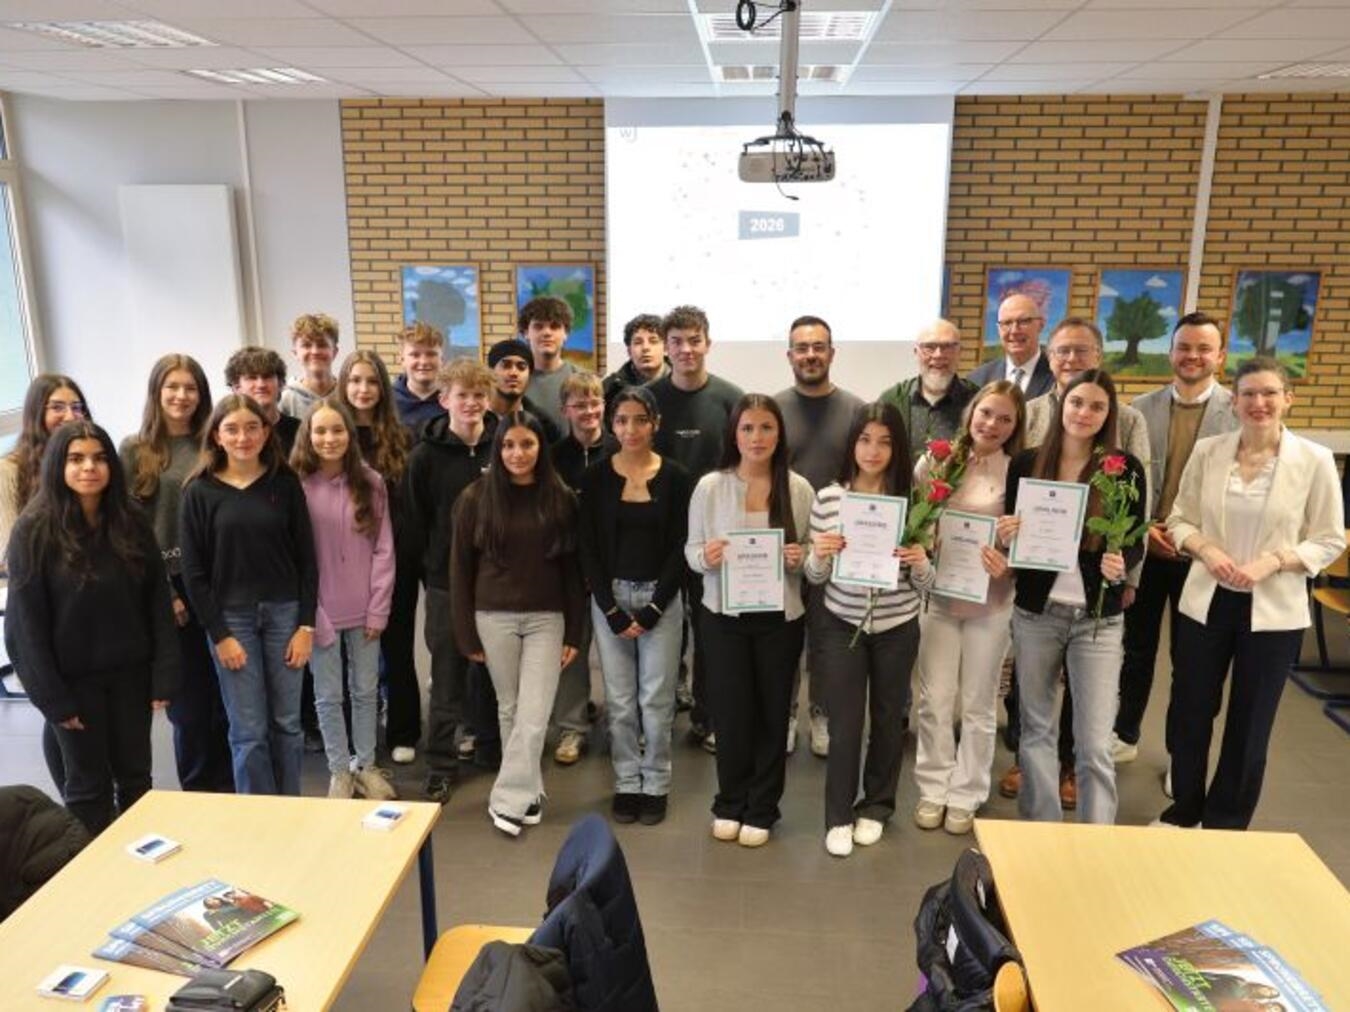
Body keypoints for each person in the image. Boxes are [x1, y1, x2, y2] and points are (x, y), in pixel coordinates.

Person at [1158, 356, 1344, 830]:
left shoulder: (1314, 461)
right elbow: (1179, 519)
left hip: (1274, 610)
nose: (1258, 403)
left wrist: (1276, 560)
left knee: (1250, 721)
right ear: (1234, 400)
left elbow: (1330, 538)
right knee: (1190, 712)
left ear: (1288, 399)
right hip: (1208, 598)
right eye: (1248, 394)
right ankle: (1184, 811)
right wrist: (1205, 549)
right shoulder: (1209, 451)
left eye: (1269, 393)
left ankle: (1226, 822)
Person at [1000, 317, 1154, 805]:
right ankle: (1043, 833)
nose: (1084, 412)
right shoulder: (1027, 464)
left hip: (1097, 619)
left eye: (1096, 406)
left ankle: (1097, 847)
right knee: (1036, 731)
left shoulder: (1121, 467)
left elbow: (1135, 537)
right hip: (1036, 612)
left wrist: (1121, 563)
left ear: (1108, 415)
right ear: (1061, 403)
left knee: (1092, 745)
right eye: (1077, 402)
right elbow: (1011, 530)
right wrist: (1008, 536)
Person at [5, 421, 177, 835]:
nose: (89, 467)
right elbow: (24, 628)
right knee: (87, 787)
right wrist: (53, 699)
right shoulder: (33, 530)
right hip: (73, 684)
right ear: (57, 466)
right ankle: (92, 874)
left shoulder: (130, 520)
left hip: (131, 675)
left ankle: (140, 859)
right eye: (76, 459)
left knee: (137, 777)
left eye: (99, 458)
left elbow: (158, 603)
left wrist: (163, 678)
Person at [686, 394, 813, 848]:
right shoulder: (710, 487)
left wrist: (801, 557)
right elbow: (691, 552)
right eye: (747, 429)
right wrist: (707, 556)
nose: (756, 438)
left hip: (780, 618)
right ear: (733, 435)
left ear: (780, 435)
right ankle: (729, 802)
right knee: (731, 713)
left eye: (766, 428)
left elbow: (813, 558)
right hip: (723, 615)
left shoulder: (797, 488)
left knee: (773, 714)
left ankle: (763, 807)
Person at [805, 402, 932, 857]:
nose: (873, 451)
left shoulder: (915, 501)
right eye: (864, 439)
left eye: (884, 441)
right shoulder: (829, 498)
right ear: (852, 444)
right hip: (842, 624)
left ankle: (876, 806)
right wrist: (820, 553)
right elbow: (815, 577)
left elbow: (926, 584)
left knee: (887, 719)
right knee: (844, 723)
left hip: (898, 625)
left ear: (897, 448)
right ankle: (838, 814)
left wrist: (920, 563)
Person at [450, 411, 585, 836]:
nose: (518, 453)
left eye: (527, 444)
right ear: (498, 448)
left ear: (541, 448)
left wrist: (576, 632)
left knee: (534, 711)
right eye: (509, 445)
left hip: (548, 618)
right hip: (492, 616)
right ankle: (528, 792)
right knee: (509, 708)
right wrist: (465, 631)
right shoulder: (474, 498)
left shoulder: (561, 498)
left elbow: (573, 573)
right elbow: (460, 569)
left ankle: (506, 799)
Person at [1115, 312, 1237, 772]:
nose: (1192, 356)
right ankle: (1124, 734)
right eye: (1184, 347)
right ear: (1170, 353)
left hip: (1204, 556)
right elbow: (1122, 480)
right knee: (1135, 651)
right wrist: (1144, 528)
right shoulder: (1137, 410)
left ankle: (1182, 760)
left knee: (1194, 665)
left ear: (1220, 357)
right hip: (1146, 548)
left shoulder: (1237, 411)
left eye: (1203, 348)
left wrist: (1193, 539)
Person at [179, 394, 318, 796]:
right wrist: (219, 634)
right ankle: (257, 814)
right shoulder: (198, 492)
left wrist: (306, 625)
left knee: (287, 724)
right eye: (232, 429)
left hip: (285, 615)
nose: (243, 437)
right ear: (217, 436)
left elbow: (308, 561)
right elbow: (194, 572)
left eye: (252, 427)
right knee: (248, 730)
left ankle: (289, 806)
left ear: (266, 432)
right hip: (231, 621)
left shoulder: (285, 484)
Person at [912, 381, 1025, 836]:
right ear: (970, 412)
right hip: (939, 599)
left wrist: (1009, 563)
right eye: (986, 413)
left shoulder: (1017, 471)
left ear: (1015, 427)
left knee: (978, 705)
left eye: (1004, 419)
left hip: (990, 603)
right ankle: (933, 786)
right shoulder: (936, 461)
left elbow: (1031, 542)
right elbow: (914, 521)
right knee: (935, 699)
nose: (992, 425)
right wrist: (924, 540)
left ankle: (967, 791)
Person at [120, 354, 234, 794]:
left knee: (228, 697)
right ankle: (201, 794)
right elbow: (131, 530)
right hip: (171, 587)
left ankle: (232, 790)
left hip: (219, 583)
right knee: (190, 705)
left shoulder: (215, 443)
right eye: (173, 387)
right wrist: (165, 591)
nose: (182, 396)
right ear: (157, 392)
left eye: (190, 388)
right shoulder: (135, 450)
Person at [579, 386, 690, 825]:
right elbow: (587, 546)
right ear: (611, 424)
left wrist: (654, 608)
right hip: (611, 602)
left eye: (640, 420)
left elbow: (682, 546)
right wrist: (609, 609)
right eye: (621, 420)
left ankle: (656, 781)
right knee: (621, 701)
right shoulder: (596, 477)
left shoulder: (678, 477)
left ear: (655, 424)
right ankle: (627, 780)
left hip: (661, 603)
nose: (630, 429)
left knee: (656, 699)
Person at [650, 305, 745, 750]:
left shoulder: (731, 399)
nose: (686, 349)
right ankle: (658, 716)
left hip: (715, 537)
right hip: (662, 536)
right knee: (665, 630)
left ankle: (710, 716)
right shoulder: (648, 399)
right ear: (666, 347)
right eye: (677, 341)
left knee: (712, 631)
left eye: (694, 340)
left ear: (708, 342)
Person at [292, 398, 396, 801]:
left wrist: (378, 607)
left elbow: (384, 548)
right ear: (308, 436)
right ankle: (339, 770)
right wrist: (310, 613)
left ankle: (365, 766)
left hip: (366, 609)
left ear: (350, 436)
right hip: (319, 613)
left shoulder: (370, 482)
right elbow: (295, 557)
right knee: (328, 694)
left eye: (337, 430)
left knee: (367, 690)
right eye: (320, 431)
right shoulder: (295, 485)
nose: (329, 438)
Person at [407, 357, 499, 803]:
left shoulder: (505, 446)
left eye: (479, 394)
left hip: (497, 584)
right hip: (445, 584)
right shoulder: (425, 455)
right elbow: (416, 520)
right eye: (461, 395)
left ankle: (489, 748)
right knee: (447, 675)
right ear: (444, 400)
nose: (471, 403)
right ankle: (441, 764)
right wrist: (432, 569)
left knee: (494, 673)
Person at [773, 314, 864, 758]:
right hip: (785, 547)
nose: (810, 355)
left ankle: (821, 714)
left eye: (818, 347)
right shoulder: (772, 411)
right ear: (789, 355)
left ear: (832, 352)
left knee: (828, 640)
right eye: (801, 348)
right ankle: (787, 715)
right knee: (787, 636)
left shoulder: (855, 410)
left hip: (837, 547)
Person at [1, 373, 94, 790]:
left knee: (83, 712)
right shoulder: (11, 471)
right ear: (37, 412)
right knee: (58, 711)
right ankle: (77, 800)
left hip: (87, 609)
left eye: (76, 407)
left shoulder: (85, 462)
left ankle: (92, 793)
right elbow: (9, 552)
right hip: (40, 612)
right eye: (57, 407)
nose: (68, 415)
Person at [337, 349, 419, 765]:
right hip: (344, 565)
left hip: (394, 559)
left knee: (397, 647)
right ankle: (359, 736)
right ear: (343, 385)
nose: (363, 389)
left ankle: (403, 730)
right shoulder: (330, 435)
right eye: (355, 381)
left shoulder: (402, 437)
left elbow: (408, 505)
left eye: (371, 381)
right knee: (351, 654)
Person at [548, 370, 617, 766]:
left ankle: (620, 724)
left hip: (612, 571)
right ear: (565, 410)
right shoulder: (554, 457)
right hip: (568, 573)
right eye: (580, 404)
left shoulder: (620, 450)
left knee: (617, 656)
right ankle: (573, 728)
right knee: (570, 654)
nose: (589, 410)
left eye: (595, 402)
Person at [879, 319, 978, 454]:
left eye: (947, 347)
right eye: (929, 347)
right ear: (916, 352)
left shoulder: (977, 400)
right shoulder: (891, 400)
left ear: (960, 352)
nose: (938, 355)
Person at [968, 292, 1055, 399]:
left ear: (1041, 325)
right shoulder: (977, 379)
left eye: (1023, 321)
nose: (1014, 331)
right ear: (998, 329)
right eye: (1007, 323)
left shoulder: (1057, 375)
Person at [224, 347, 301, 456]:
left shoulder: (301, 430)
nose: (261, 385)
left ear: (281, 384)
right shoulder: (227, 434)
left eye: (267, 377)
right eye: (252, 377)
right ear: (236, 387)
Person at [485, 338, 564, 444]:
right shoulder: (473, 417)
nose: (514, 372)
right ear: (490, 371)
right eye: (506, 365)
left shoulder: (544, 425)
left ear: (529, 375)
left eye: (521, 367)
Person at [520, 296, 577, 434]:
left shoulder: (581, 378)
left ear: (566, 334)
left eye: (555, 326)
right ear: (526, 333)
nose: (547, 333)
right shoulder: (514, 381)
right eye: (538, 326)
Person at [602, 313, 668, 413]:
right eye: (638, 342)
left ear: (666, 348)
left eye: (653, 341)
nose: (645, 348)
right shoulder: (611, 388)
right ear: (629, 351)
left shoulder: (682, 382)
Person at [279, 312, 340, 418]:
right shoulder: (285, 400)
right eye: (306, 345)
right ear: (295, 353)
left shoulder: (347, 395)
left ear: (334, 352)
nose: (315, 351)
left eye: (322, 345)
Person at [392, 322, 446, 432]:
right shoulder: (388, 402)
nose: (424, 362)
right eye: (415, 355)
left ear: (442, 359)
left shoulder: (455, 400)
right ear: (402, 360)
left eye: (431, 354)